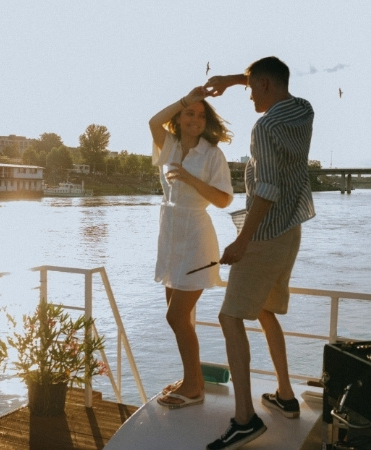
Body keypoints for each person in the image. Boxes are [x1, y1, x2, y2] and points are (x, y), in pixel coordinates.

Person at [203, 56, 316, 449]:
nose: (248, 94)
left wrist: (241, 241)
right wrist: (233, 79)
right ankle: (285, 396)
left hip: (265, 234)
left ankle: (245, 419)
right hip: (291, 229)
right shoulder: (303, 111)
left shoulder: (265, 127)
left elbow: (265, 190)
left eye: (251, 88)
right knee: (265, 310)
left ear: (266, 85)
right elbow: (270, 77)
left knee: (230, 317)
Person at [149, 86, 234, 409]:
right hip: (170, 235)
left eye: (201, 115)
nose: (195, 119)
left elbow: (225, 199)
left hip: (197, 237)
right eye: (189, 112)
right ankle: (192, 379)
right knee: (179, 317)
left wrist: (188, 177)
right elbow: (153, 121)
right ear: (180, 116)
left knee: (176, 316)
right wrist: (186, 97)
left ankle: (194, 385)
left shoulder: (212, 153)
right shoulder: (168, 144)